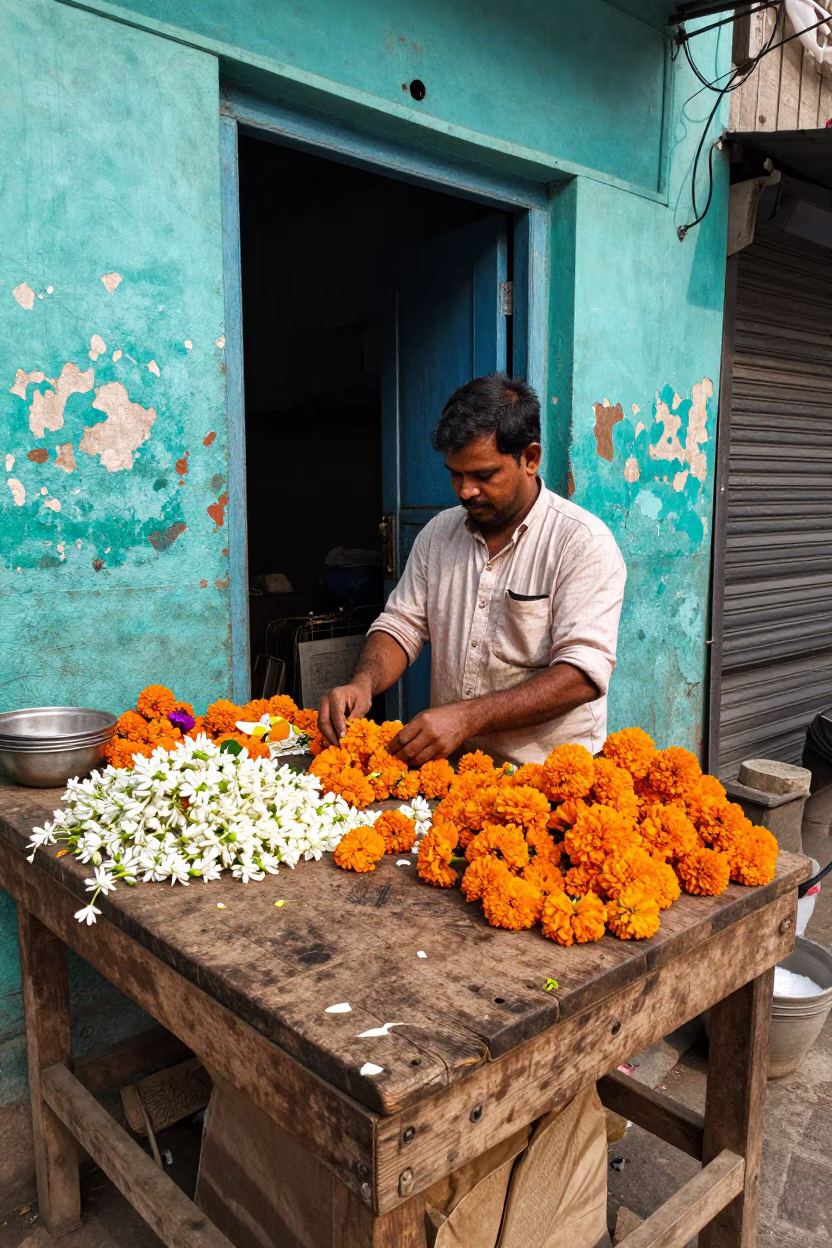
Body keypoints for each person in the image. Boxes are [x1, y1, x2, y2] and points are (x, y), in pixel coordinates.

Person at [319, 372, 626, 766]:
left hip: (548, 777)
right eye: (455, 474)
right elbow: (402, 625)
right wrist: (362, 684)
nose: (466, 491)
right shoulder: (438, 535)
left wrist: (466, 718)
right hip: (455, 771)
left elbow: (582, 675)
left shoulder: (582, 544)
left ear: (530, 459)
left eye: (483, 475)